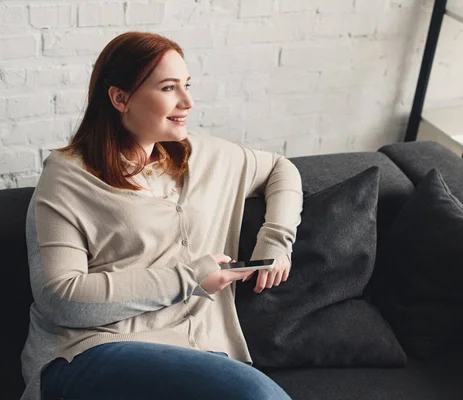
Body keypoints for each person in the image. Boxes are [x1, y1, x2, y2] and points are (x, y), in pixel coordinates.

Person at [20, 31, 303, 400]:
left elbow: (281, 168)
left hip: (199, 349)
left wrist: (277, 241)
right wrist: (191, 277)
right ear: (121, 98)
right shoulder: (68, 177)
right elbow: (60, 297)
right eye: (169, 88)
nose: (188, 101)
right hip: (93, 351)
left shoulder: (202, 156)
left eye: (187, 85)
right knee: (256, 395)